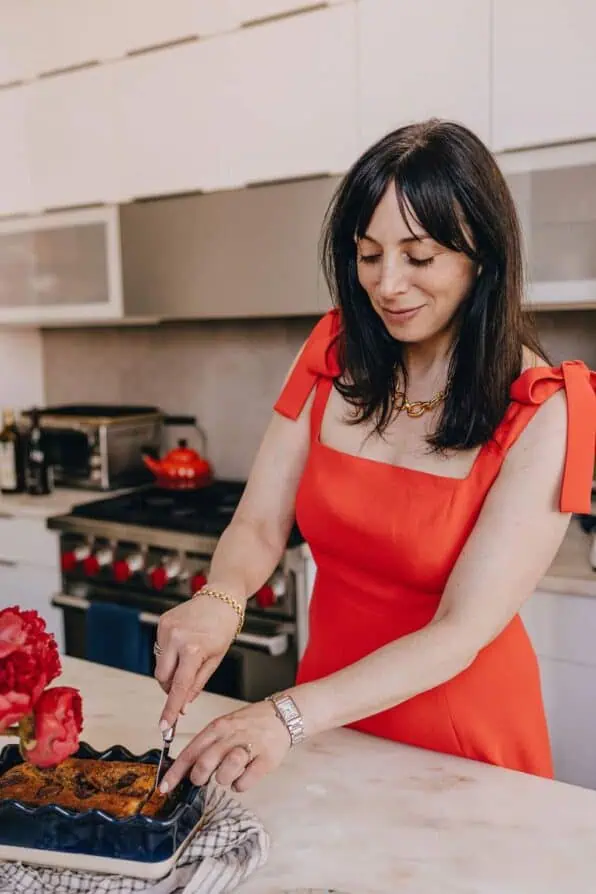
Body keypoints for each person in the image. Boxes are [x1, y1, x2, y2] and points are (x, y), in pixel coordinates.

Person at [155, 119, 596, 796]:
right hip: (321, 720)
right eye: (368, 255)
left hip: (460, 741)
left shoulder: (547, 408)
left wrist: (285, 715)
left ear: (482, 255)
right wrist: (222, 596)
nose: (388, 284)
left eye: (419, 258)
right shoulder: (331, 353)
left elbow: (462, 631)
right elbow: (259, 525)